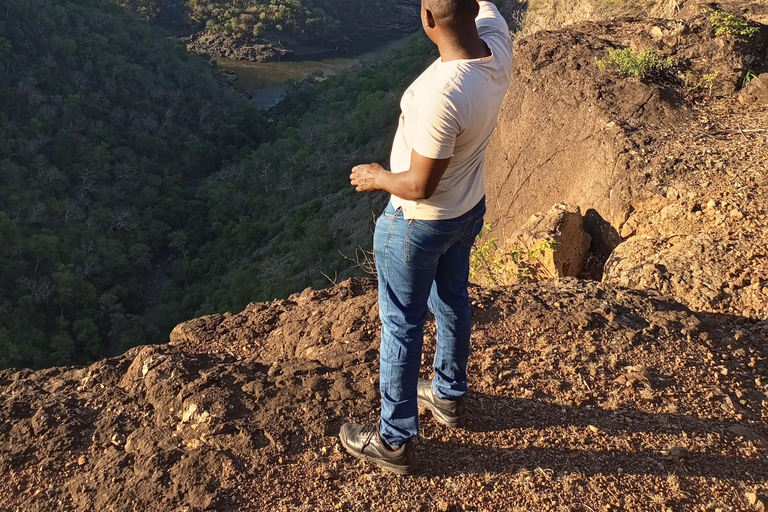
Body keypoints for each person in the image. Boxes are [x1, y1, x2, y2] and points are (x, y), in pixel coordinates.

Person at [341, 0, 513, 475]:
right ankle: (448, 394)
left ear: (428, 19)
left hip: (418, 223)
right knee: (452, 299)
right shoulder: (497, 42)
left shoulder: (444, 94)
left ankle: (393, 440)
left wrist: (376, 176)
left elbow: (419, 185)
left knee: (402, 325)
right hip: (467, 208)